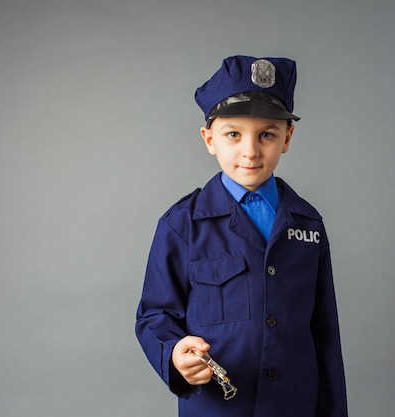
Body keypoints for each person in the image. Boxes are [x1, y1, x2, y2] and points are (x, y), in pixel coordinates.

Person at [135, 55, 348, 417]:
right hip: (219, 408)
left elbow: (325, 334)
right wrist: (173, 353)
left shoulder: (308, 223)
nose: (250, 150)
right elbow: (155, 315)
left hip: (295, 406)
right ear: (209, 139)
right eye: (233, 134)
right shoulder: (182, 224)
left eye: (267, 134)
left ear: (287, 138)